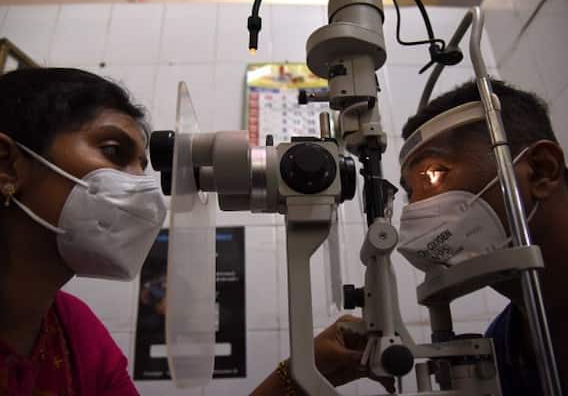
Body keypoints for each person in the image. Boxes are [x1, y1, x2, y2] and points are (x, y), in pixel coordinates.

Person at [0, 68, 392, 395]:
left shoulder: (76, 333)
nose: (143, 188)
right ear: (7, 166)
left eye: (143, 166)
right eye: (113, 151)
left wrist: (302, 371)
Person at [397, 79, 567, 395]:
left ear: (541, 171)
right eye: (409, 193)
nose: (415, 207)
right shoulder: (501, 348)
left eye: (434, 174)